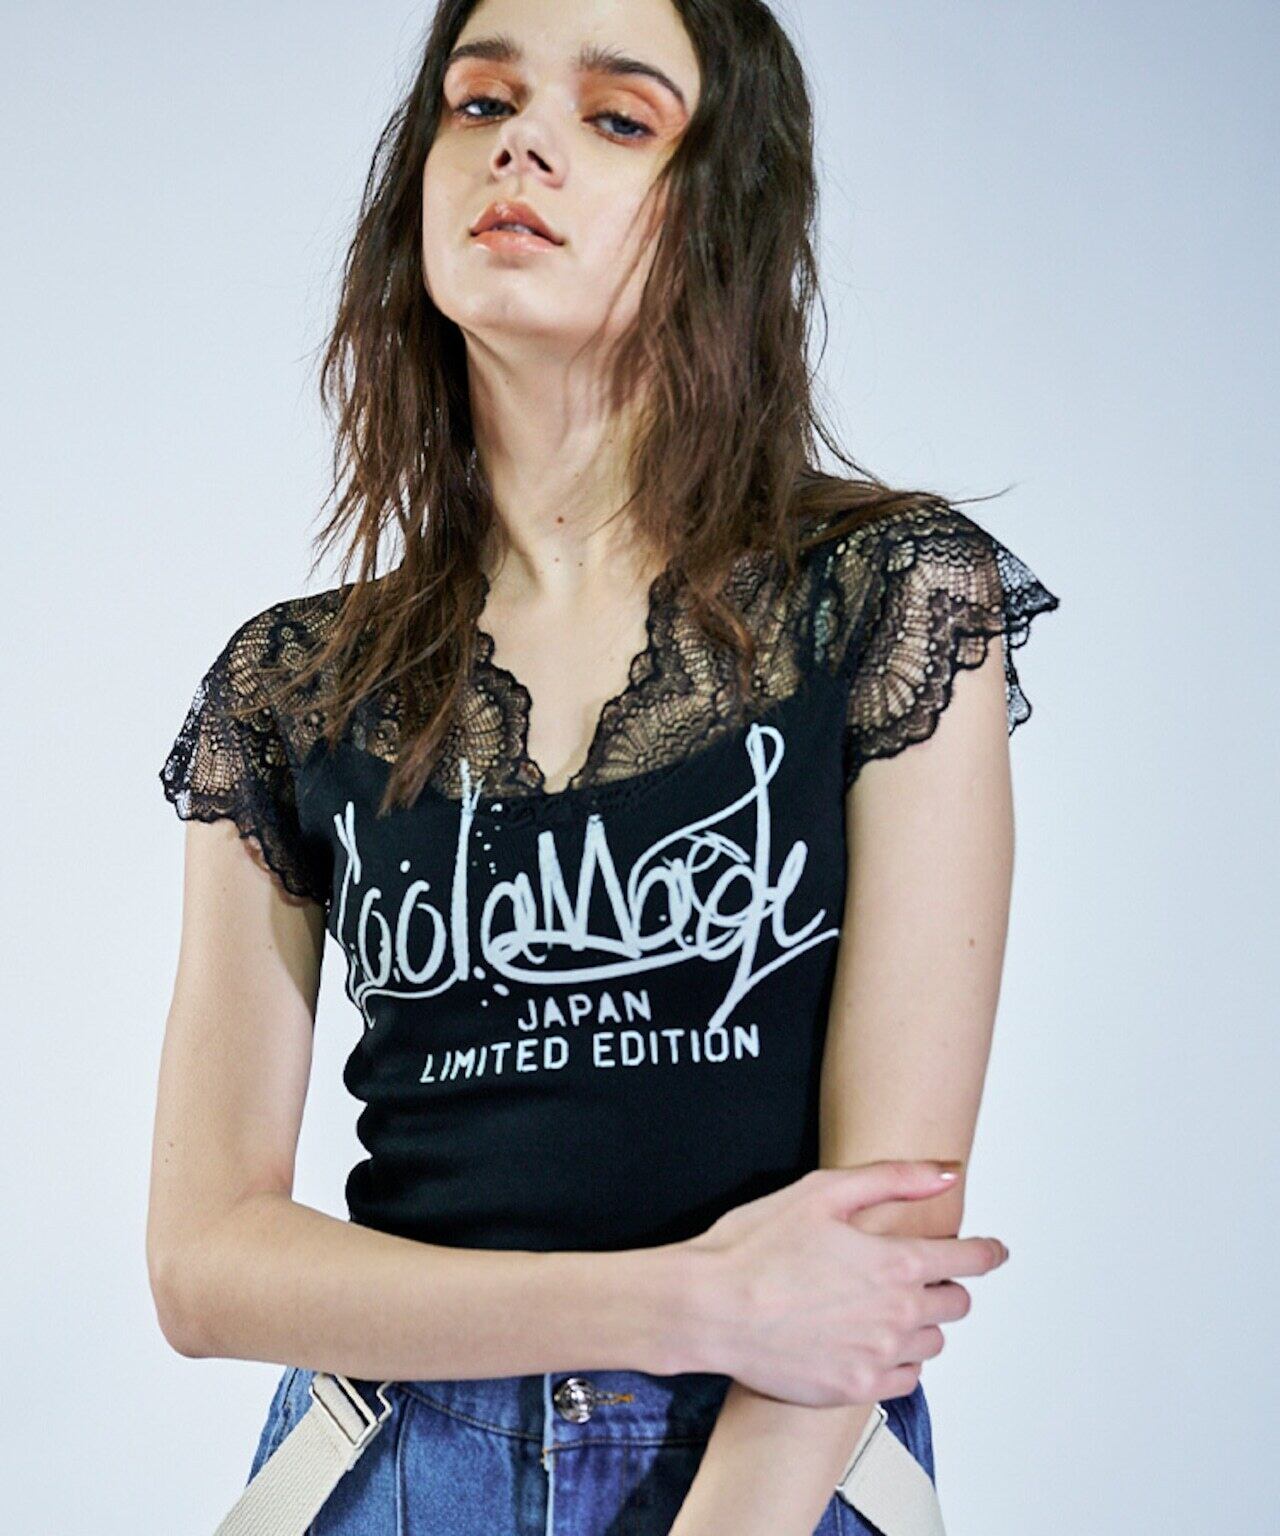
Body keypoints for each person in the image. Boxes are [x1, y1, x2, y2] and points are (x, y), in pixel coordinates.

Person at [148, 0, 1059, 1532]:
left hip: (771, 1466)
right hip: (382, 1466)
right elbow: (202, 1265)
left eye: (619, 117)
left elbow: (885, 1228)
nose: (522, 143)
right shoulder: (291, 686)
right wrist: (689, 1299)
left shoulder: (888, 596)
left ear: (722, 208)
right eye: (479, 100)